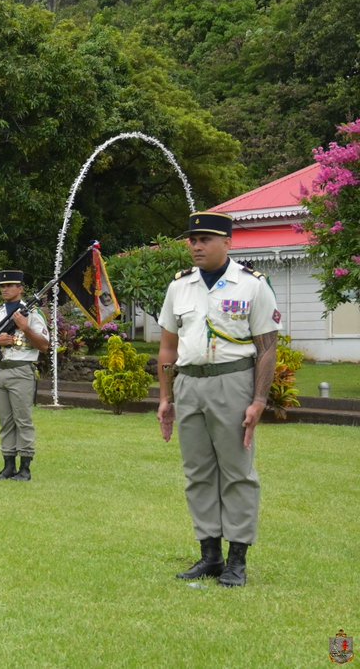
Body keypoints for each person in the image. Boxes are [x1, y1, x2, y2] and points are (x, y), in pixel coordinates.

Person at [157, 211, 280, 588]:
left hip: (232, 383)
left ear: (228, 242)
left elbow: (267, 348)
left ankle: (237, 560)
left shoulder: (252, 285)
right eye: (193, 240)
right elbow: (167, 347)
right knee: (197, 473)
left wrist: (259, 399)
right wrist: (165, 398)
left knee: (237, 472)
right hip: (188, 385)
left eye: (206, 239)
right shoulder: (180, 287)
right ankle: (209, 554)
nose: (196, 245)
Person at [0, 269, 50, 482]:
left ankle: (25, 468)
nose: (5, 289)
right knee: (5, 420)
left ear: (21, 288)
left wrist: (25, 328)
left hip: (21, 370)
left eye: (10, 286)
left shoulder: (32, 314)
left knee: (23, 419)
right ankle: (7, 466)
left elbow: (43, 345)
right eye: (3, 286)